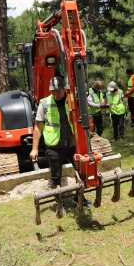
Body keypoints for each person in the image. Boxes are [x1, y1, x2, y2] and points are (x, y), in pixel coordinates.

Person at [30, 77, 92, 210]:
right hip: (54, 146)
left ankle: (79, 196)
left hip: (72, 144)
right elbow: (37, 127)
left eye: (58, 91)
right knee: (56, 176)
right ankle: (60, 202)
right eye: (53, 91)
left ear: (64, 89)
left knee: (81, 171)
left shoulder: (72, 101)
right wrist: (34, 149)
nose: (56, 94)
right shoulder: (44, 103)